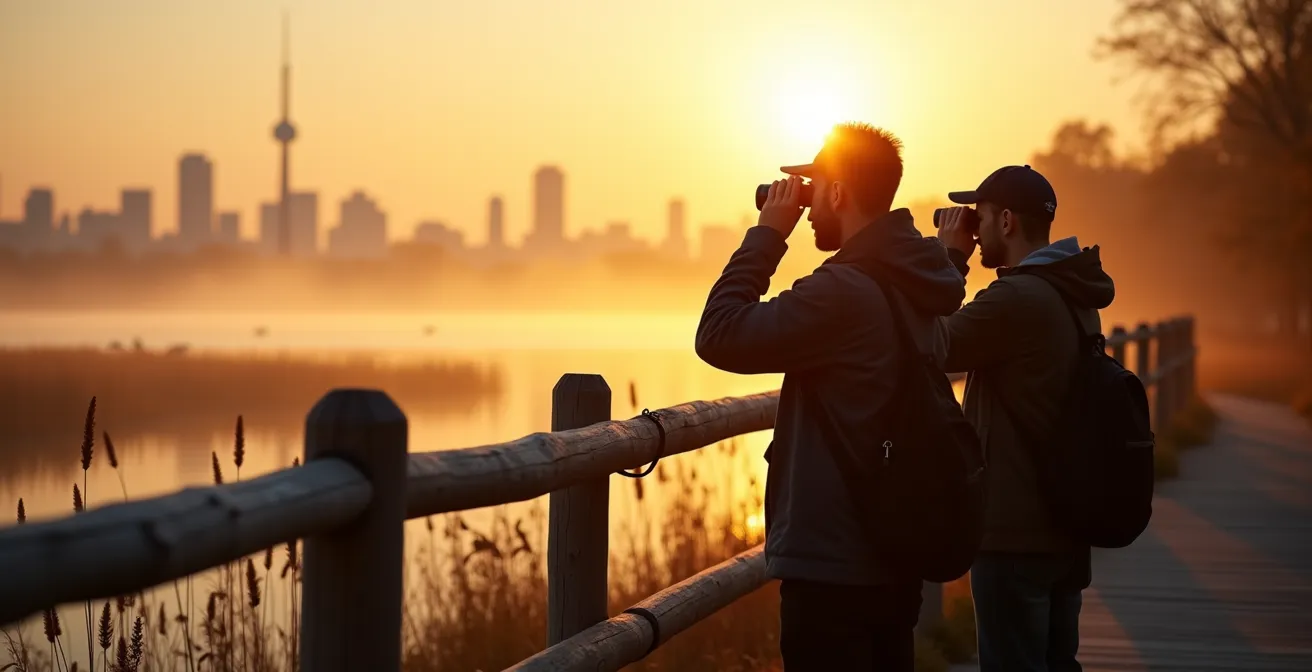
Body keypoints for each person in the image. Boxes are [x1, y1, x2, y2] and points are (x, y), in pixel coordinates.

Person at [694, 122, 966, 671]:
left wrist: (768, 233)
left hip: (831, 566)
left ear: (839, 192)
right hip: (894, 555)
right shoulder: (922, 284)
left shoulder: (843, 291)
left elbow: (718, 335)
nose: (807, 208)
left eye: (815, 191)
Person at [935, 165, 1116, 672]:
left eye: (982, 218)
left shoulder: (1018, 298)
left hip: (1014, 534)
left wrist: (949, 257)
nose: (976, 228)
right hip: (1062, 524)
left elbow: (934, 343)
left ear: (1008, 221)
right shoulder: (1072, 292)